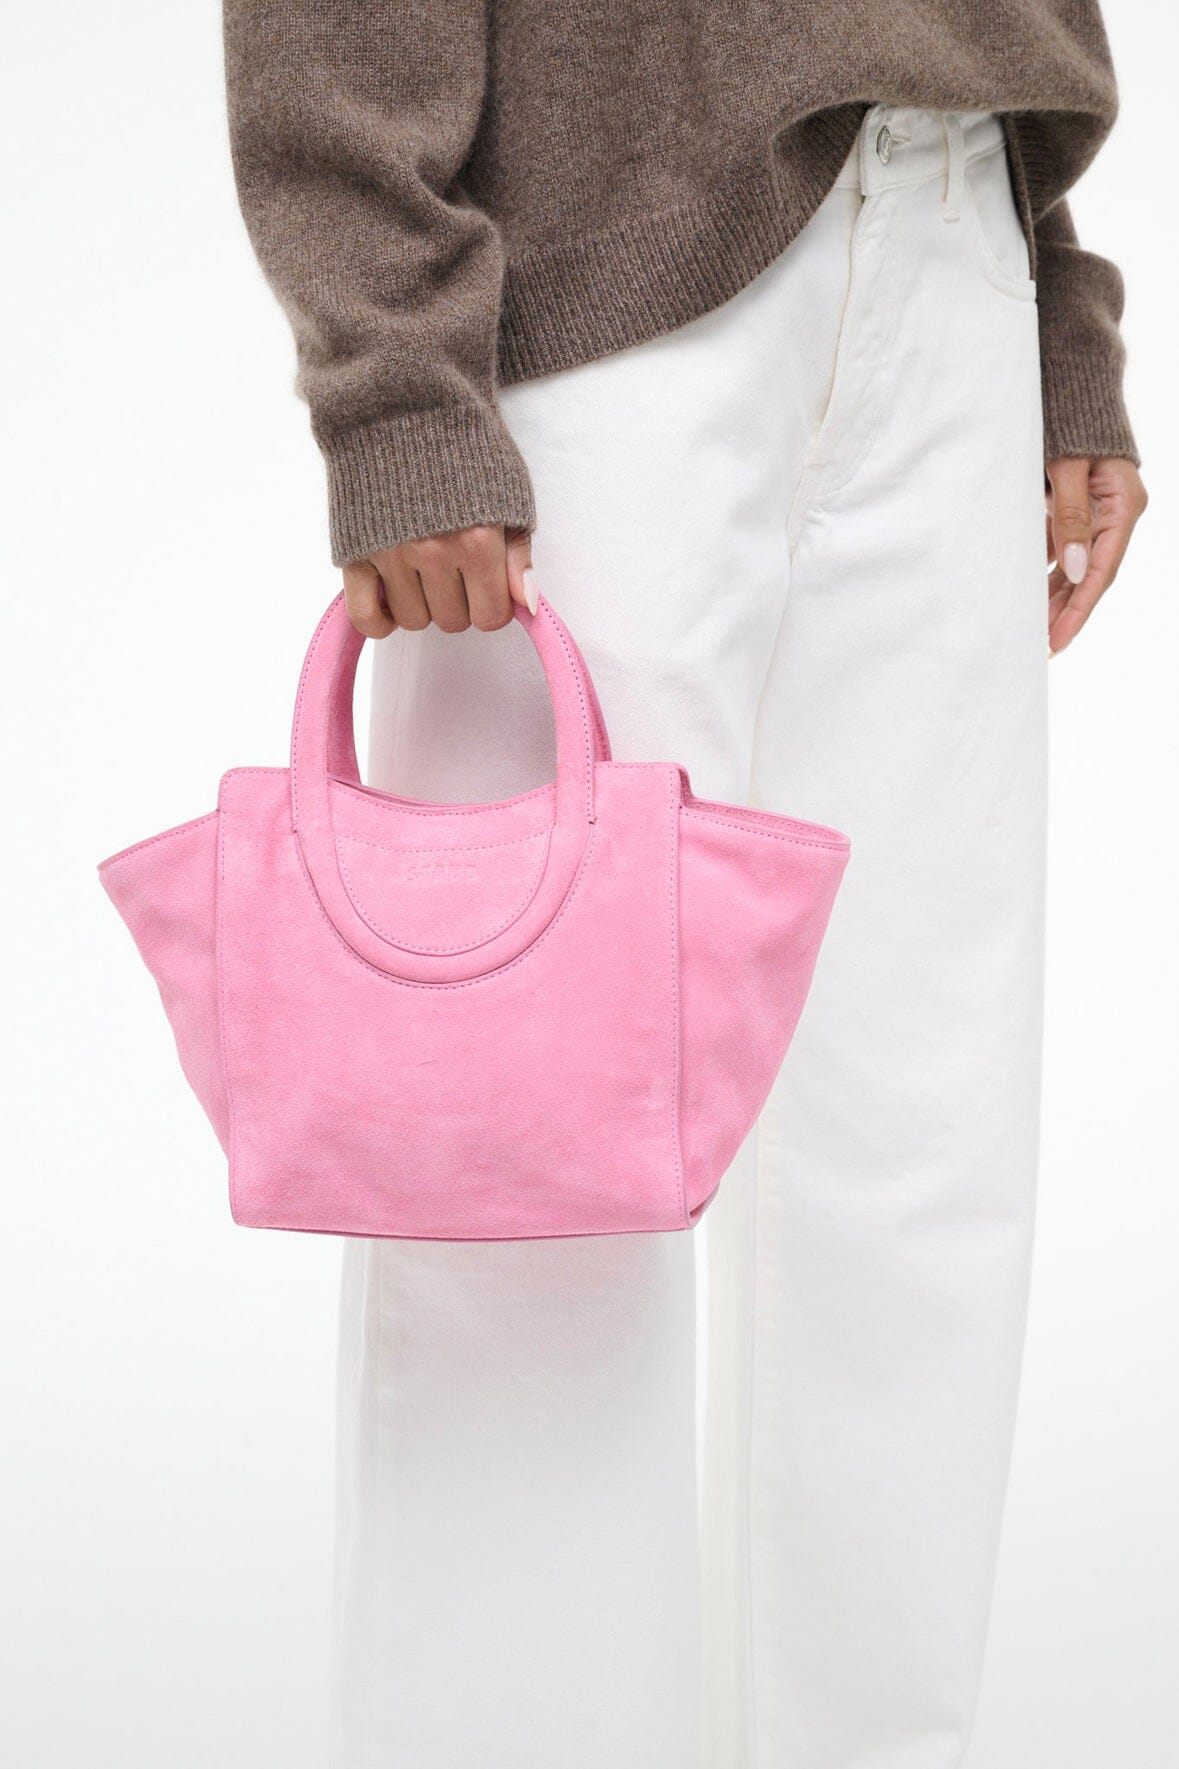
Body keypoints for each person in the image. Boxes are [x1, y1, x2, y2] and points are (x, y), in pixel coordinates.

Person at [223, 6, 1147, 1766]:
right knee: (527, 1170)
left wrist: (1048, 289)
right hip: (600, 262)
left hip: (954, 235)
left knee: (918, 1138)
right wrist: (396, 368)